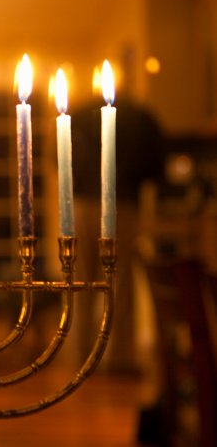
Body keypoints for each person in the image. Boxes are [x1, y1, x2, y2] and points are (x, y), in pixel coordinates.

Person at [70, 93, 165, 373]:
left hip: (83, 202)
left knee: (80, 281)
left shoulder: (78, 112)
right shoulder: (142, 117)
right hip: (123, 202)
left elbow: (59, 157)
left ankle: (80, 356)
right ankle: (119, 357)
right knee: (120, 283)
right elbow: (156, 166)